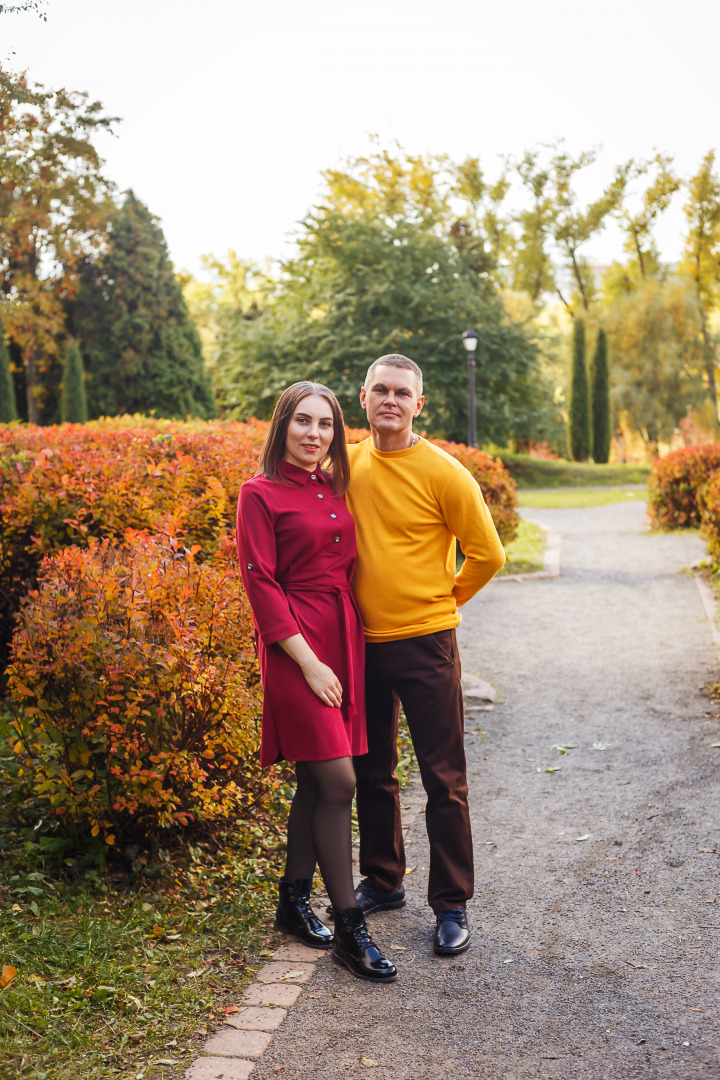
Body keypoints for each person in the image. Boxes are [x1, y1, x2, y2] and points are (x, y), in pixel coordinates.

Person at [345, 354, 506, 956]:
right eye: (380, 390)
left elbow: (488, 554)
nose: (391, 399)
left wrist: (442, 598)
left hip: (428, 643)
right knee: (373, 772)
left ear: (419, 403)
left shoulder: (445, 473)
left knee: (444, 777)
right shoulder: (347, 466)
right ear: (363, 398)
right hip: (360, 645)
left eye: (402, 392)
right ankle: (384, 881)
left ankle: (451, 903)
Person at [236, 381, 397, 984]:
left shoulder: (334, 487)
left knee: (316, 777)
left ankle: (291, 901)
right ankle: (351, 929)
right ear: (282, 426)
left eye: (325, 425)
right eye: (303, 422)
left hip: (342, 637)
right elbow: (260, 584)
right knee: (338, 779)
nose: (314, 434)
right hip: (295, 647)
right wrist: (307, 660)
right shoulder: (260, 493)